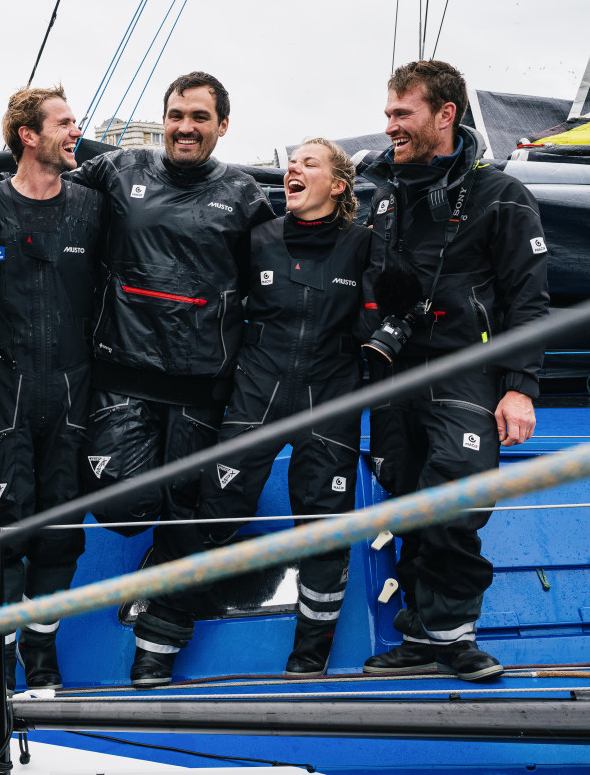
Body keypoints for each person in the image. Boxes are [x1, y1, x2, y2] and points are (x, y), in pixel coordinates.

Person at [69, 71, 276, 687]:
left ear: (222, 126)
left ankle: (156, 651)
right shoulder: (117, 169)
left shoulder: (242, 195)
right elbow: (36, 198)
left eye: (200, 118)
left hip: (199, 388)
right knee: (125, 509)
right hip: (123, 377)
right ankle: (158, 543)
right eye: (177, 114)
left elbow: (286, 271)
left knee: (191, 519)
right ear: (164, 117)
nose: (186, 127)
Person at [146, 138, 371, 682]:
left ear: (339, 185)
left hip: (330, 402)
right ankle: (156, 644)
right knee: (214, 516)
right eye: (291, 162)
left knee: (323, 536)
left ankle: (307, 662)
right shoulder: (260, 238)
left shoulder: (367, 244)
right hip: (256, 395)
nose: (292, 168)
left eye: (309, 163)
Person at [356, 60, 549, 682]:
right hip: (394, 373)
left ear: (446, 114)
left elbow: (530, 299)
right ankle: (424, 634)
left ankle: (456, 637)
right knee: (407, 499)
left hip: (464, 370)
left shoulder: (500, 195)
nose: (389, 126)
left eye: (401, 113)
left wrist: (519, 388)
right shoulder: (373, 187)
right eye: (387, 113)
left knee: (456, 502)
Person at [0, 86, 106, 695]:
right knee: (3, 535)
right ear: (28, 135)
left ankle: (40, 655)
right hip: (5, 390)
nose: (77, 132)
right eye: (66, 123)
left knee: (61, 536)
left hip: (74, 391)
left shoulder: (93, 206)